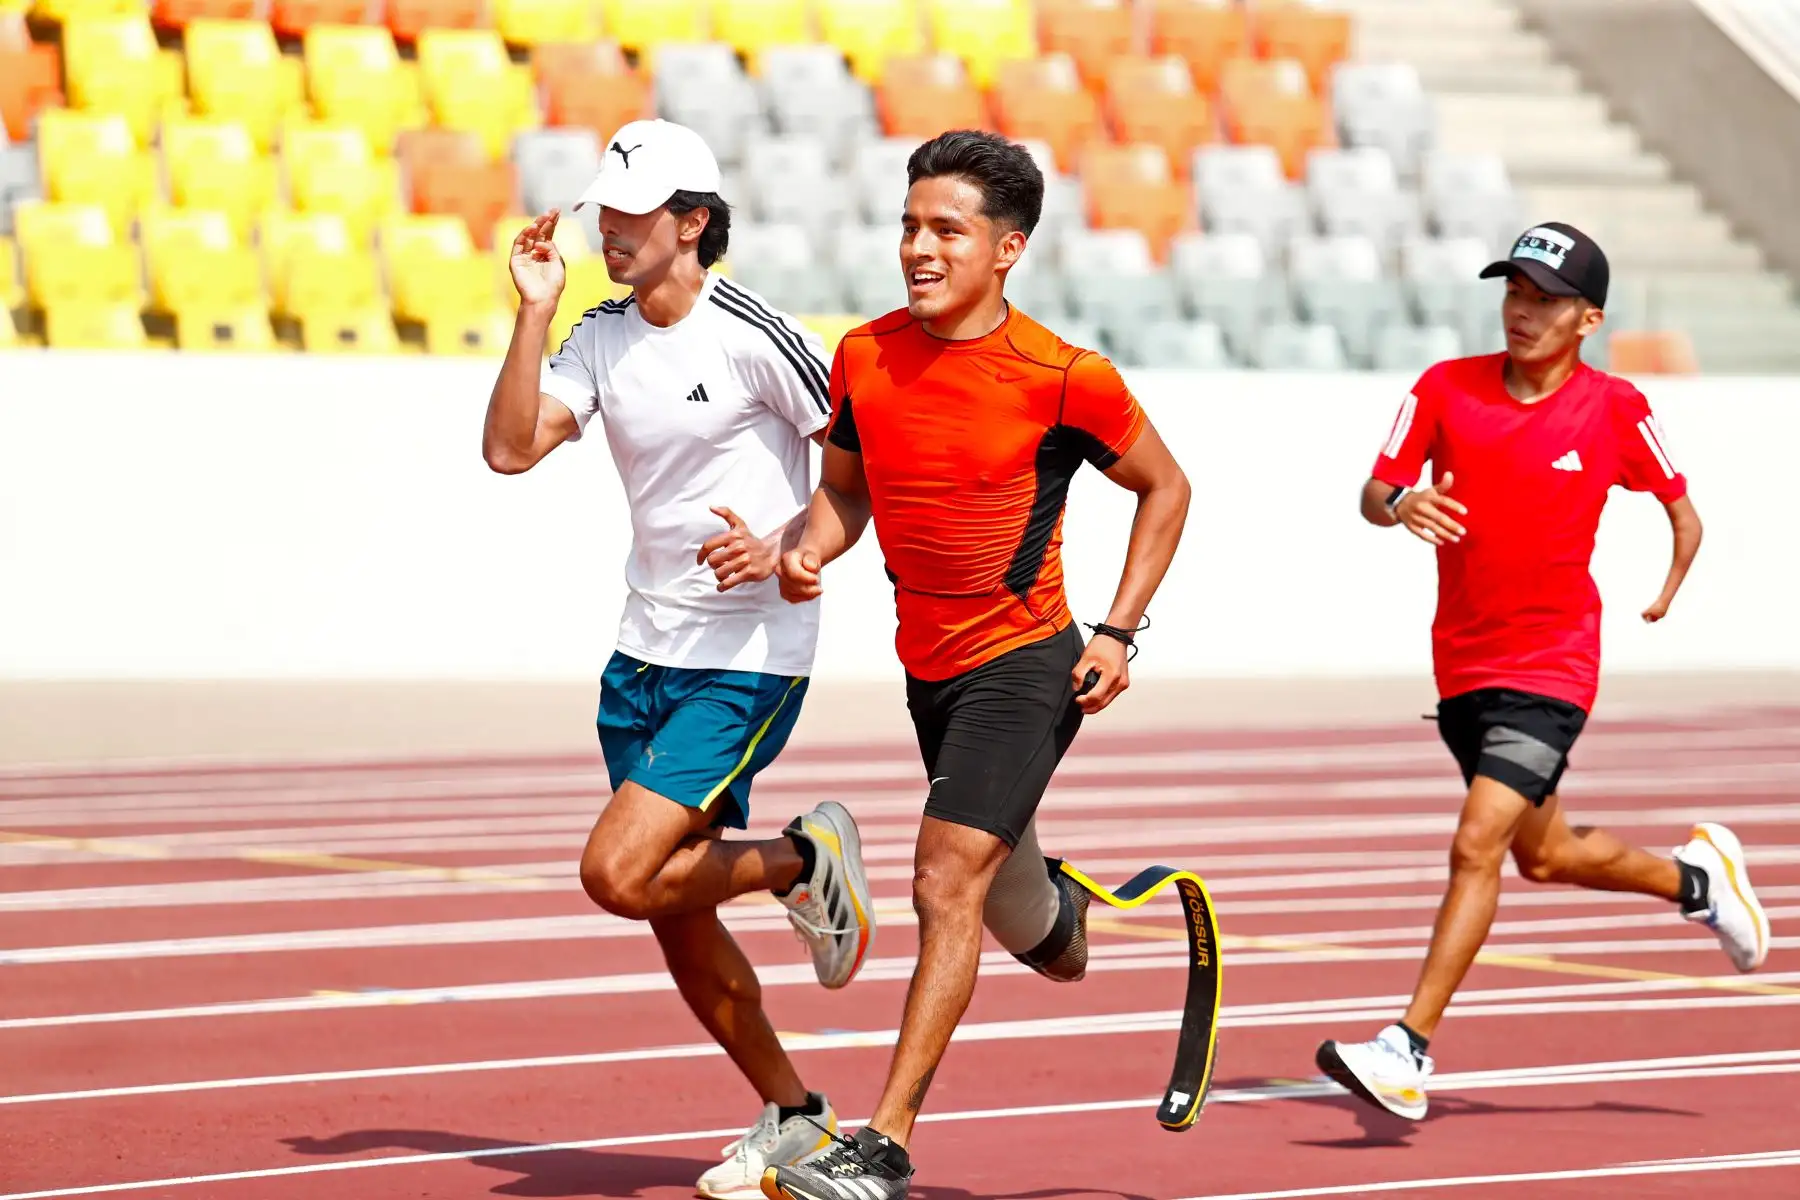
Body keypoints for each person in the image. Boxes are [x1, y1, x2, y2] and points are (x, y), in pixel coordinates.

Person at [758, 129, 1193, 1200]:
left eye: (946, 229)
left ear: (1008, 248)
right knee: (1021, 925)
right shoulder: (864, 354)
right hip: (928, 669)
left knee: (942, 879)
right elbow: (847, 492)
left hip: (1028, 660)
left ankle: (886, 1142)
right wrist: (806, 545)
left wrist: (1120, 630)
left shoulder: (1062, 376)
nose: (918, 246)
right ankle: (1061, 915)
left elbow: (1166, 486)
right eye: (909, 224)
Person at [480, 118, 876, 1198]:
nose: (611, 229)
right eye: (604, 208)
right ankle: (795, 1114)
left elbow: (855, 476)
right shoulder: (601, 335)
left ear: (693, 222)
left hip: (747, 654)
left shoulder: (755, 332)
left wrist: (791, 546)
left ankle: (804, 859)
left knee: (616, 872)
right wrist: (532, 311)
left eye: (635, 213)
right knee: (670, 907)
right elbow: (512, 448)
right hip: (640, 651)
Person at [1315, 222, 1771, 1121]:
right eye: (1513, 291)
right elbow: (1374, 494)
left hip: (1555, 661)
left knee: (1476, 841)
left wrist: (1666, 592)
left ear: (1588, 319)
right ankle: (1698, 881)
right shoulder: (1446, 387)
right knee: (1544, 855)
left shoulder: (1616, 407)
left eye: (1545, 298)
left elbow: (1685, 515)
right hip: (1464, 663)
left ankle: (1406, 1049)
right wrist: (1403, 502)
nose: (1522, 311)